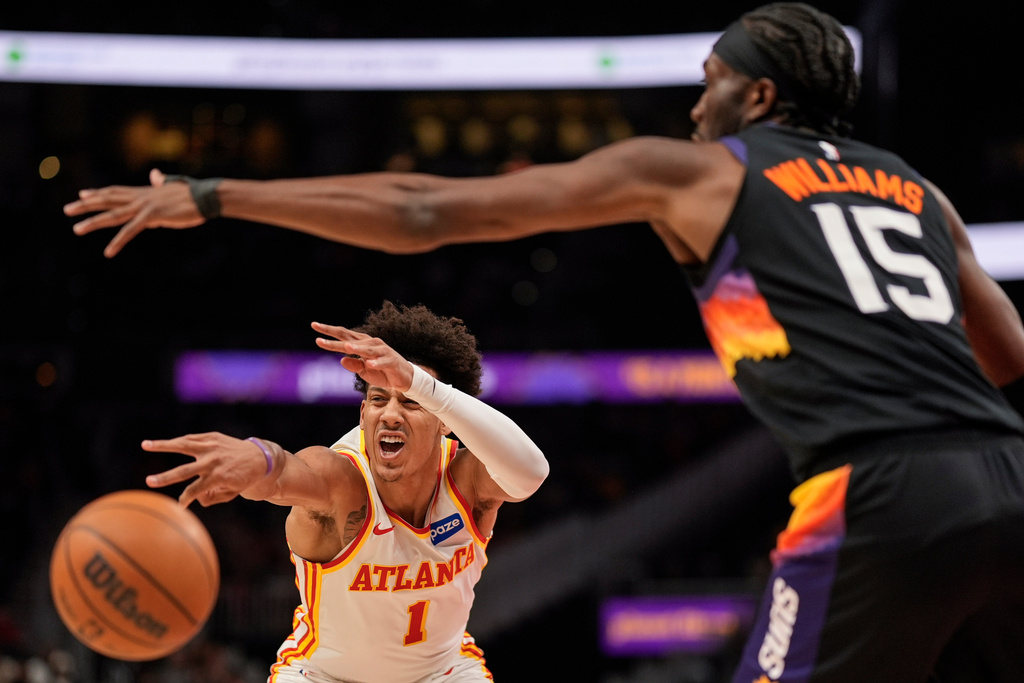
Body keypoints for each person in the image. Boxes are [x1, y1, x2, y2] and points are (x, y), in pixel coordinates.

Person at [66, 3, 1024, 680]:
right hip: (1009, 472)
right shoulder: (916, 189)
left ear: (759, 97)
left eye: (710, 86)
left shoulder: (704, 174)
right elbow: (1005, 353)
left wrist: (215, 194)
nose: (696, 110)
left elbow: (425, 207)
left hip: (877, 491)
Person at [141, 301, 549, 683]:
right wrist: (259, 458)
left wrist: (428, 387)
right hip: (323, 675)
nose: (389, 414)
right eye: (377, 400)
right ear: (362, 412)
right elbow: (286, 472)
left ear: (444, 419)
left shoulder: (466, 480)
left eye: (410, 402)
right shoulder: (342, 479)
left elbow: (532, 473)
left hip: (442, 673)